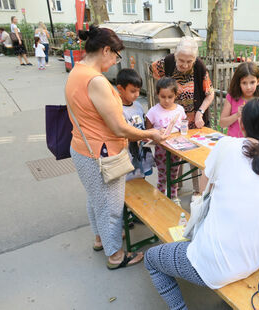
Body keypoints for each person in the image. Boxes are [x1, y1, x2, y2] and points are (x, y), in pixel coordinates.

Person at [144, 98, 259, 310]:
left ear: (241, 124)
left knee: (152, 259)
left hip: (212, 265)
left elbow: (202, 190)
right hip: (256, 258)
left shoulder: (226, 146)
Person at [65, 25, 165, 270]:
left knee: (95, 198)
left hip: (82, 148)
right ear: (106, 50)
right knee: (110, 206)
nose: (115, 62)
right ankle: (117, 257)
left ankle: (101, 240)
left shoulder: (76, 72)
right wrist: (149, 133)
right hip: (102, 154)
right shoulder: (96, 81)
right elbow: (119, 128)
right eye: (116, 56)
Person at [150, 36, 214, 198]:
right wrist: (166, 96)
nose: (185, 65)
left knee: (195, 159)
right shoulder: (166, 62)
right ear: (175, 55)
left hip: (194, 122)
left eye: (189, 61)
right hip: (173, 122)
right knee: (174, 156)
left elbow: (210, 94)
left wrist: (200, 112)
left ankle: (197, 191)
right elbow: (155, 73)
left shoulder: (199, 67)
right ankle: (174, 189)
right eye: (181, 60)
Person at [145, 77, 187, 205]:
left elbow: (184, 126)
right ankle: (161, 198)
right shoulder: (153, 111)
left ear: (175, 95)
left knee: (174, 175)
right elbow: (147, 132)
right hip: (161, 150)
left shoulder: (179, 109)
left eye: (170, 96)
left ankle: (173, 197)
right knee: (163, 175)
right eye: (163, 97)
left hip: (177, 149)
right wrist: (156, 133)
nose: (167, 100)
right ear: (157, 94)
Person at [116, 68, 154, 180]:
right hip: (127, 154)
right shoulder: (117, 109)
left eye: (138, 90)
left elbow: (142, 126)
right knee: (129, 182)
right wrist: (145, 135)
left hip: (141, 150)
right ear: (120, 89)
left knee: (141, 178)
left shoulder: (138, 105)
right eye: (133, 91)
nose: (137, 94)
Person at [219, 62, 259, 137]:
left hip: (253, 144)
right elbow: (222, 123)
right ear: (239, 83)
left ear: (258, 81)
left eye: (252, 82)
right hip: (235, 142)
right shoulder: (232, 98)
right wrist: (237, 115)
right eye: (244, 83)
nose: (248, 87)